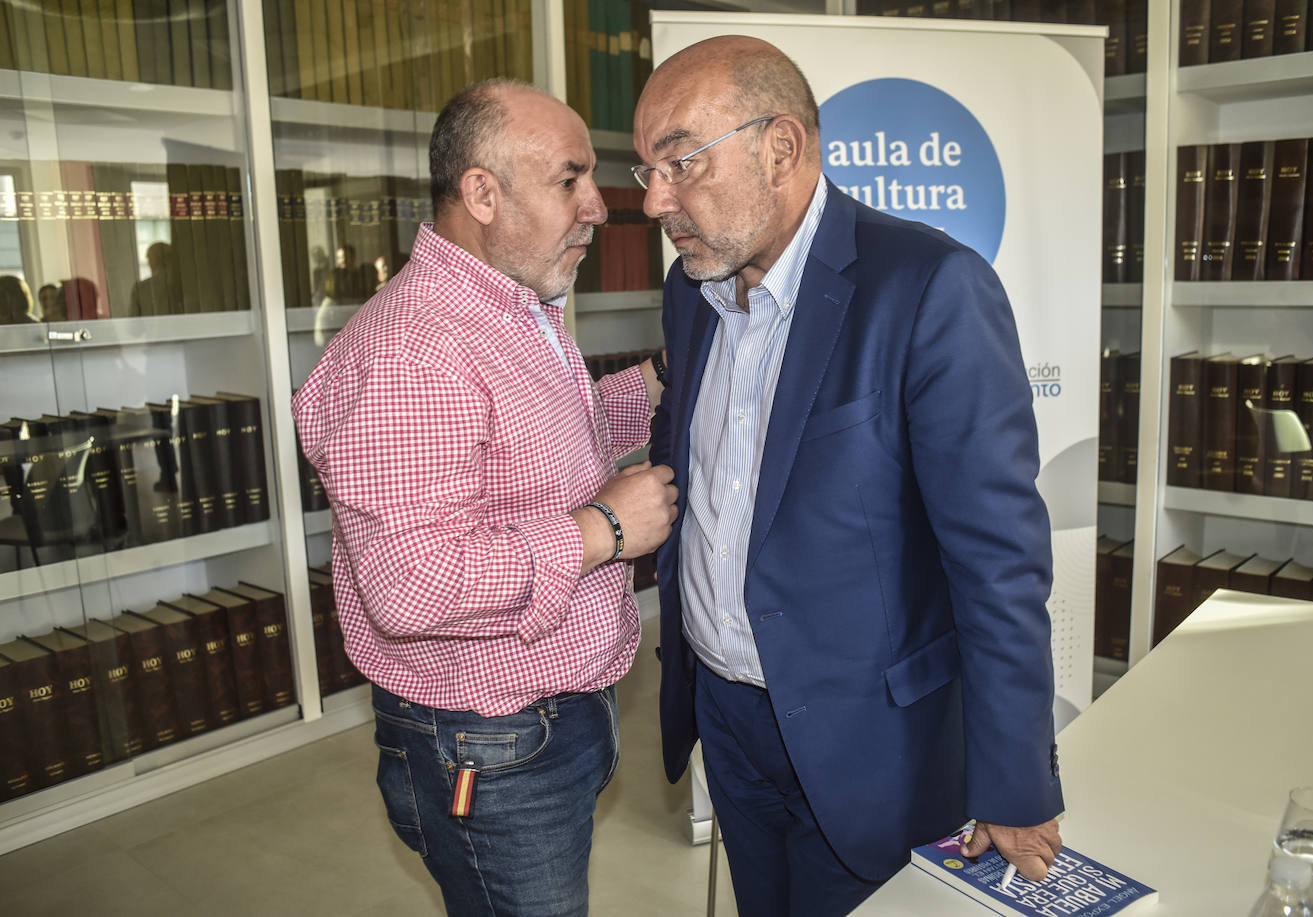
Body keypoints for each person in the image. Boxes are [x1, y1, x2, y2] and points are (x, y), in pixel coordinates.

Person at [636, 36, 1064, 916]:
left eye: (680, 162)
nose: (654, 201)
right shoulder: (691, 290)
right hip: (727, 716)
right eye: (648, 169)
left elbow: (998, 560)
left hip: (873, 740)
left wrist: (1014, 778)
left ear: (780, 149)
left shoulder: (930, 287)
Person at [292, 79, 679, 916]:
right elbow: (412, 583)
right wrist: (604, 529)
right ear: (481, 192)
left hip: (541, 718)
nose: (599, 208)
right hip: (492, 742)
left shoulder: (508, 309)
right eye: (569, 179)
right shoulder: (411, 355)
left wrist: (655, 383)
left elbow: (537, 453)